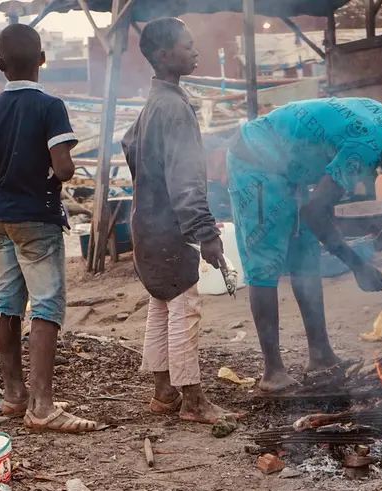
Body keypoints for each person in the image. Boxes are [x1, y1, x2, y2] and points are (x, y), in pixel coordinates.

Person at [226, 98, 382, 392]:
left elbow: (321, 202)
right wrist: (357, 265)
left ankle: (320, 354)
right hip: (255, 162)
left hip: (287, 169)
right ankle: (273, 372)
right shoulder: (366, 145)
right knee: (264, 265)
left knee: (306, 259)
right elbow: (315, 210)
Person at [0, 24, 99, 433]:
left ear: (0, 65)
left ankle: (14, 395)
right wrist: (57, 166)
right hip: (37, 218)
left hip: (2, 217)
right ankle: (43, 406)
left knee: (8, 303)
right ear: (42, 59)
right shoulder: (50, 106)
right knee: (46, 306)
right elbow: (63, 167)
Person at [121, 17, 240, 424]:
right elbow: (187, 180)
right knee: (184, 308)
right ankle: (193, 401)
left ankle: (163, 393)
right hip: (170, 228)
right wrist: (205, 233)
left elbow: (129, 145)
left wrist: (150, 186)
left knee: (161, 305)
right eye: (187, 46)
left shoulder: (155, 102)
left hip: (146, 223)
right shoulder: (175, 107)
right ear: (163, 55)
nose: (195, 51)